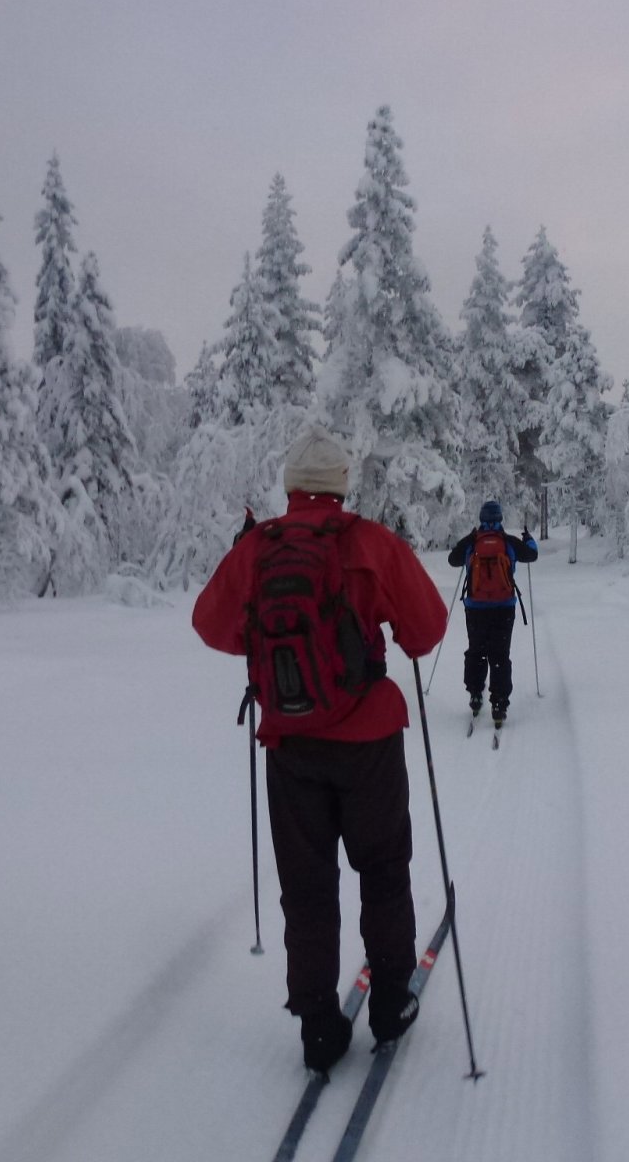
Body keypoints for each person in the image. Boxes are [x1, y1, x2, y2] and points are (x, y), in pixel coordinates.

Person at [192, 425, 447, 1074]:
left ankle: (316, 1026)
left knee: (307, 889)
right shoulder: (369, 541)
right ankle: (391, 1003)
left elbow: (212, 627)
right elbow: (428, 630)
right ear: (342, 485)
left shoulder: (260, 548)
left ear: (290, 488)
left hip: (290, 746)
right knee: (384, 870)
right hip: (369, 743)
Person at [446, 500, 537, 727]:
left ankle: (475, 694)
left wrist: (469, 538)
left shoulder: (473, 542)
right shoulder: (508, 542)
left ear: (481, 518)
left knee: (476, 651)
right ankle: (499, 703)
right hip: (504, 607)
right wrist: (529, 539)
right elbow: (532, 555)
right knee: (499, 655)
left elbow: (452, 560)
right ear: (500, 519)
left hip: (475, 609)